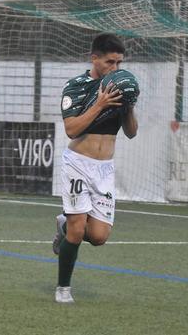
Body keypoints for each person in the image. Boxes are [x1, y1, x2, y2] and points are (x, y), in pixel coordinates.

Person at [53, 33, 138, 303]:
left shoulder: (119, 86)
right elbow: (71, 129)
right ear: (94, 59)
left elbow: (132, 132)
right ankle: (63, 289)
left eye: (119, 63)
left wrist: (128, 107)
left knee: (99, 237)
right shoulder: (76, 86)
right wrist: (100, 104)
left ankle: (64, 226)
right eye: (110, 62)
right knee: (79, 231)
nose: (115, 68)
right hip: (77, 164)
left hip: (104, 169)